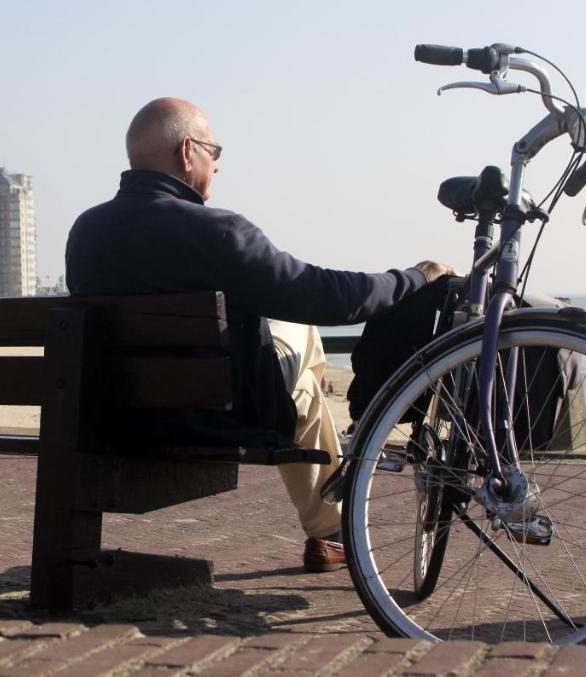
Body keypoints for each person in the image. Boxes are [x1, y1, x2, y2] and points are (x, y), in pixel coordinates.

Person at [65, 97, 452, 572]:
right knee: (305, 355)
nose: (217, 166)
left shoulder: (86, 231)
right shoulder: (217, 230)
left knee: (295, 344)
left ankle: (329, 523)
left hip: (114, 417)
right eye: (215, 151)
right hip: (217, 419)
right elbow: (330, 297)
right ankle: (330, 526)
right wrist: (414, 277)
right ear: (188, 152)